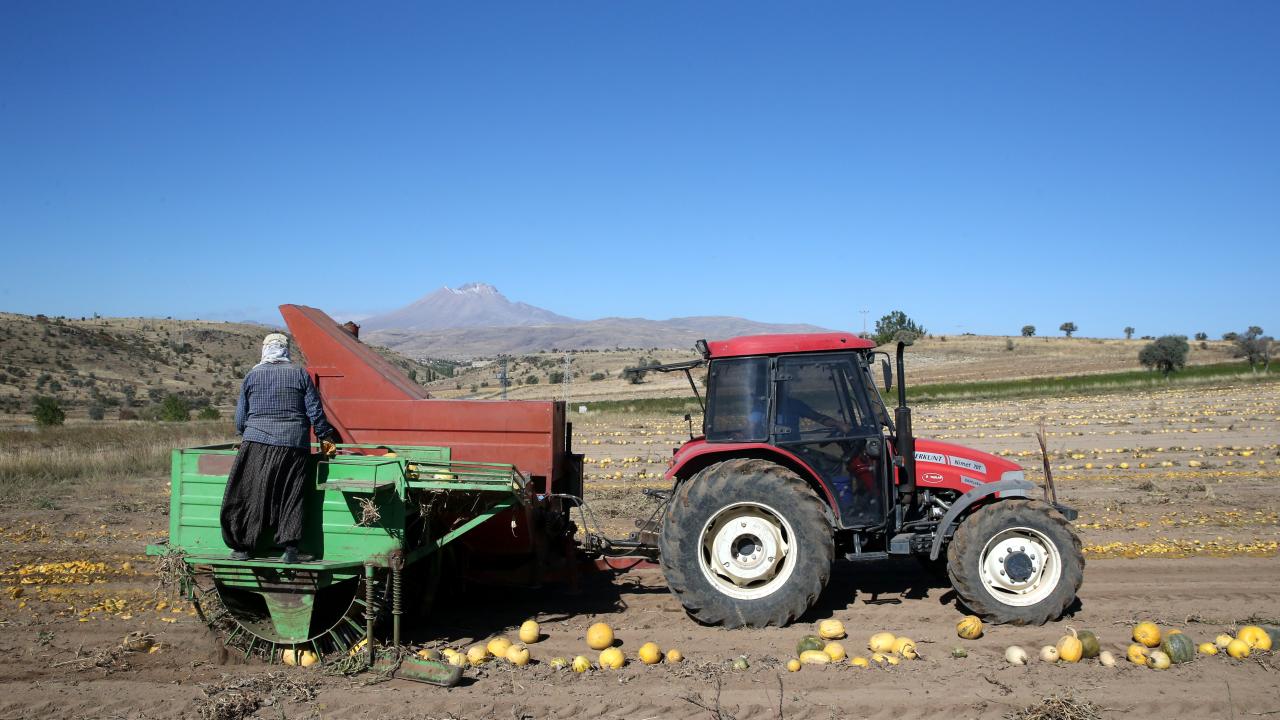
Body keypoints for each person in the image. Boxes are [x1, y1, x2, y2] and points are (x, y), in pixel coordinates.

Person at [220, 333, 339, 563]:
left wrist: (246, 436)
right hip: (293, 445)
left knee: (251, 494)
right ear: (286, 351)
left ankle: (244, 549)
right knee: (291, 494)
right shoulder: (299, 374)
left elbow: (240, 419)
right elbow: (315, 413)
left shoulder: (252, 376)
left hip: (256, 443)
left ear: (265, 350)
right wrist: (328, 443)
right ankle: (291, 551)